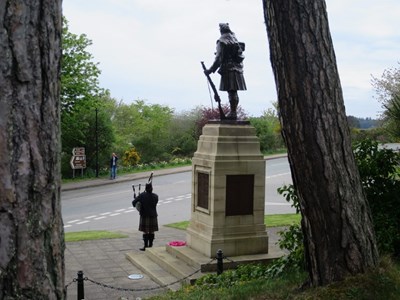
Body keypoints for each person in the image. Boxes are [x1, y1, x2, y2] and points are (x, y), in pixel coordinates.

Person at [205, 23, 246, 120]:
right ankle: (233, 112)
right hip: (237, 69)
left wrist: (210, 70)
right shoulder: (234, 39)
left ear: (220, 30)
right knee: (233, 91)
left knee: (231, 91)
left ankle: (233, 113)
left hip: (228, 69)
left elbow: (218, 58)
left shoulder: (222, 41)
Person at [132, 183, 159, 251]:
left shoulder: (142, 196)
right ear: (152, 189)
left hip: (144, 215)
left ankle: (145, 246)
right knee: (152, 231)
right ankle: (150, 245)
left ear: (145, 189)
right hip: (153, 215)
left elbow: (133, 203)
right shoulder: (156, 196)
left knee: (145, 231)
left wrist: (138, 198)